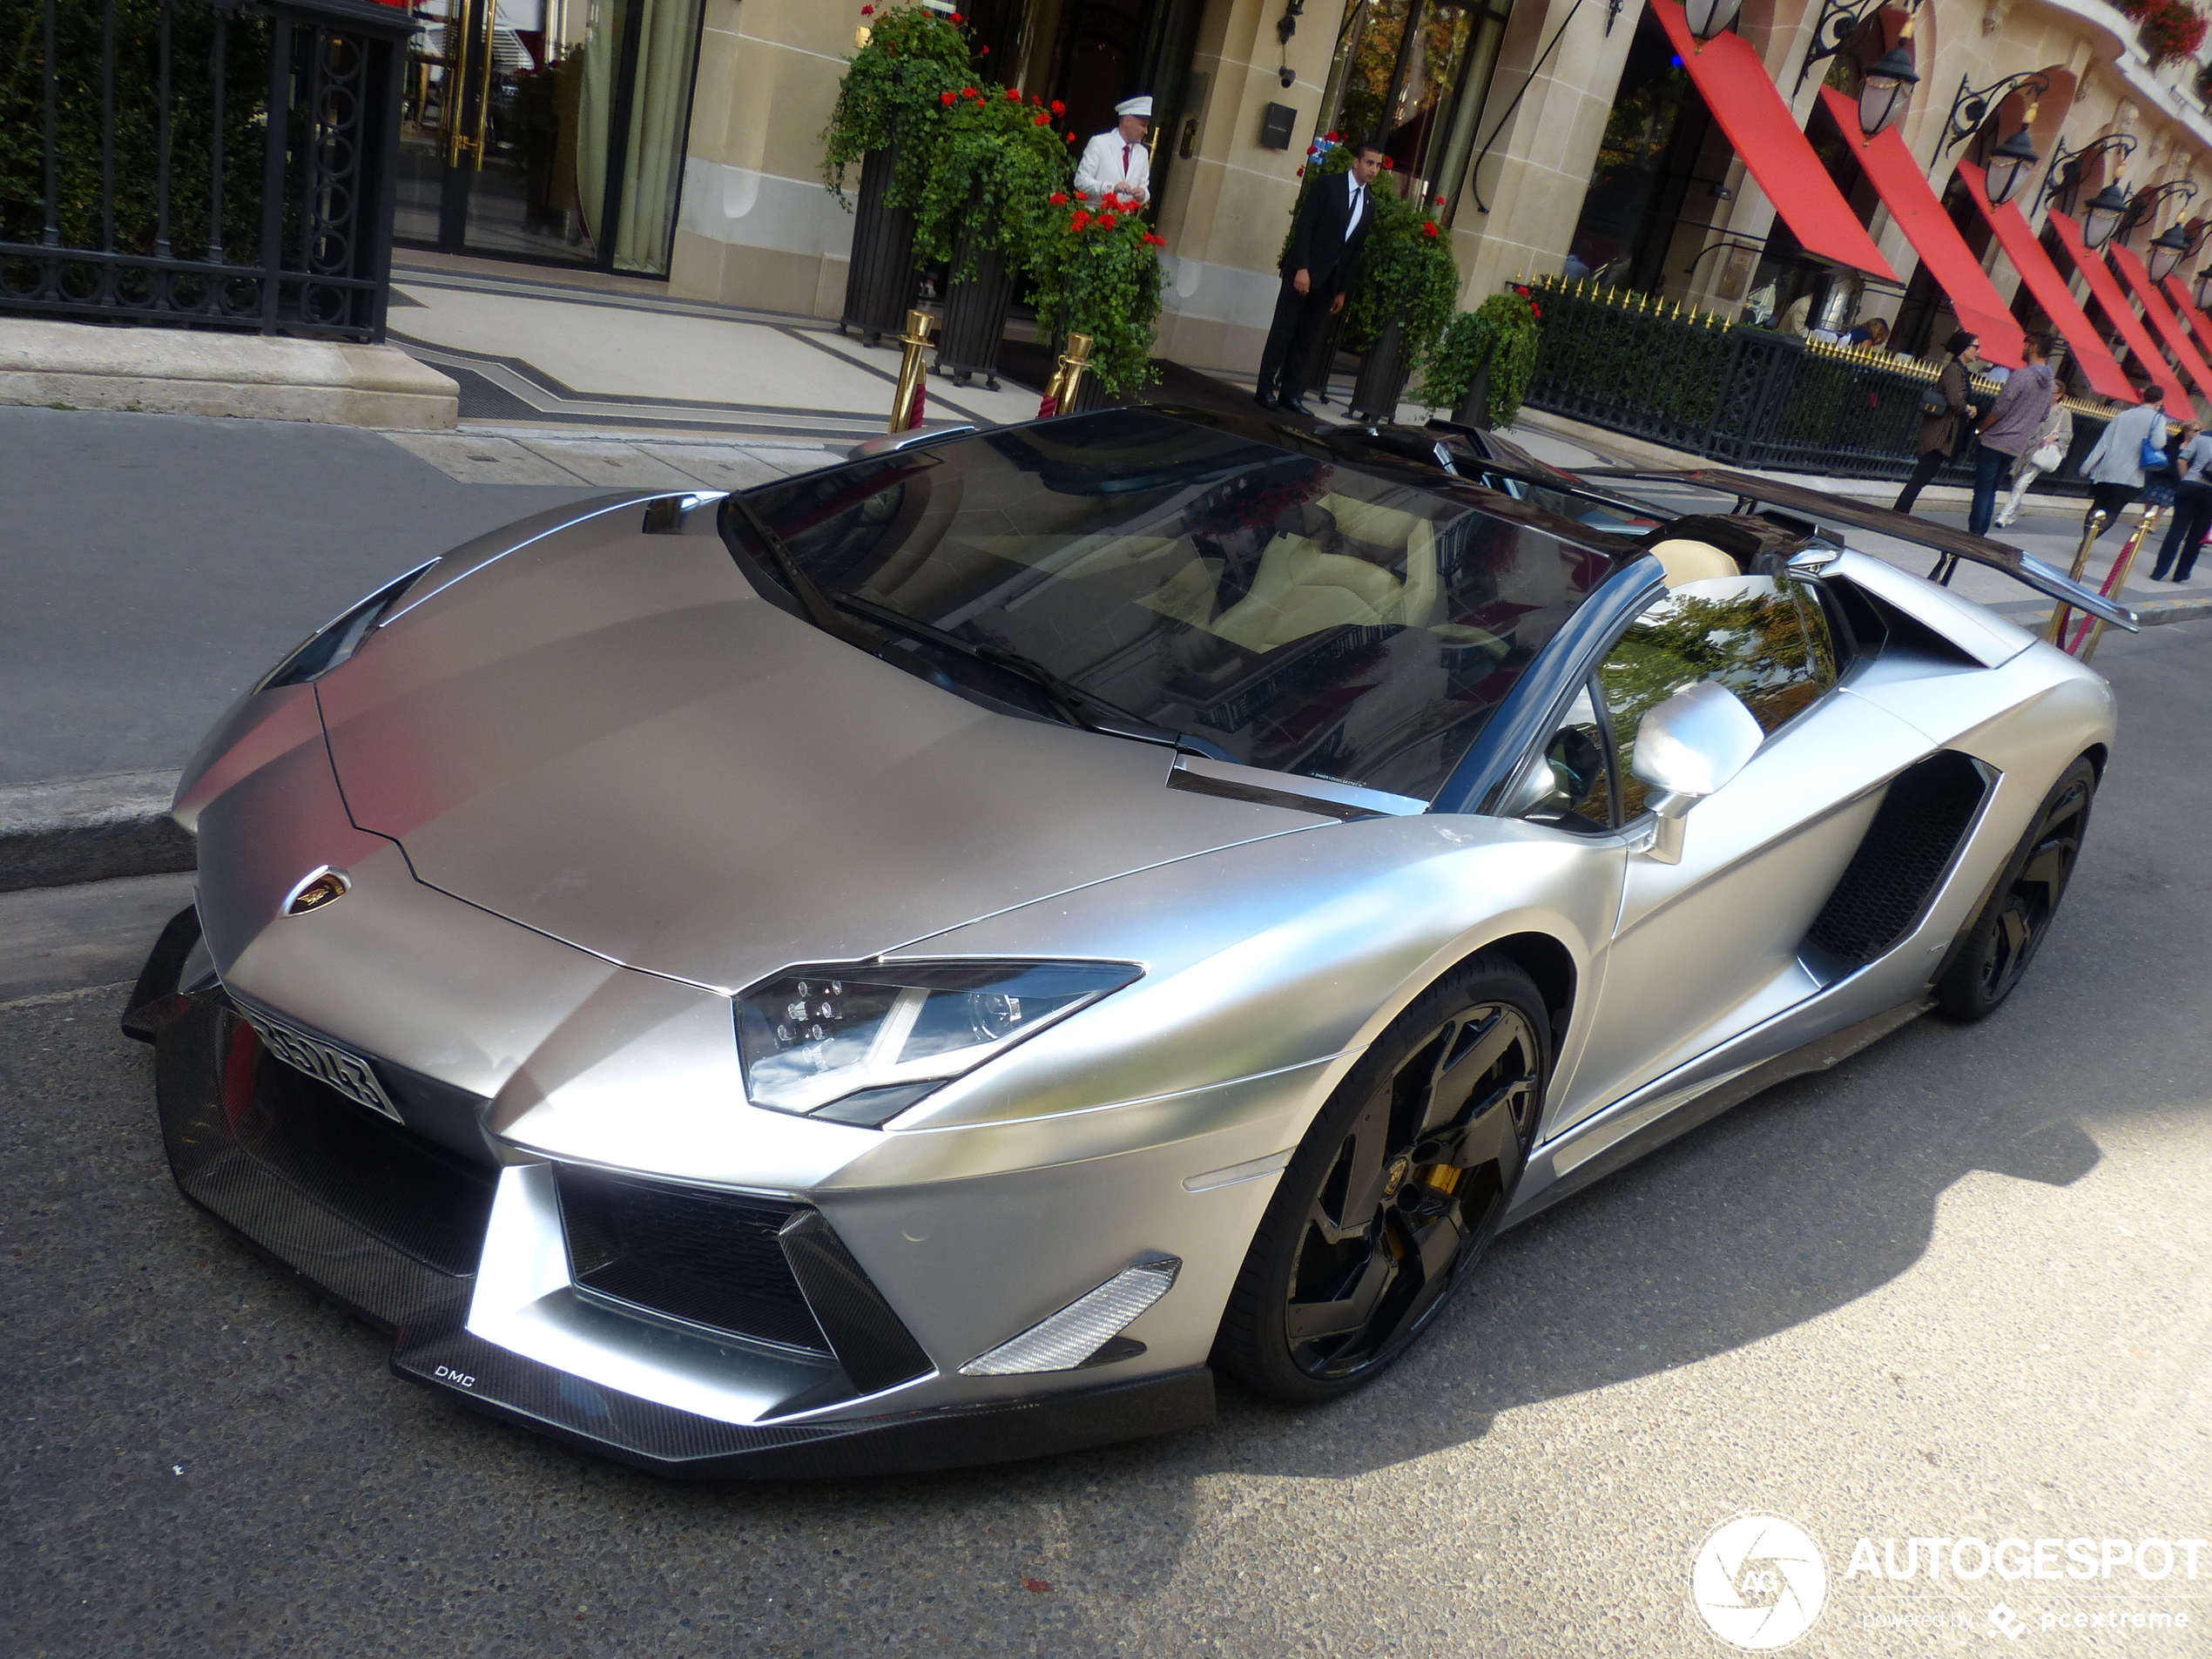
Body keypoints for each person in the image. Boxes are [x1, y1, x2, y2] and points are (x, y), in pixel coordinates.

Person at [1254, 138, 1384, 415]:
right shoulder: (1329, 186)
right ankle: (1264, 390)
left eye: (1378, 165)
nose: (1374, 169)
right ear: (1357, 162)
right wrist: (1302, 268)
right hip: (1304, 272)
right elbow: (1305, 227)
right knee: (1283, 331)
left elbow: (1355, 250)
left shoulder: (1369, 203)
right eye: (1370, 163)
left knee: (1305, 339)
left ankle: (1290, 394)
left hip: (1330, 282)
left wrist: (1342, 290)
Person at [1967, 332, 2055, 538]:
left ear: (2034, 347)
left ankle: (1974, 532)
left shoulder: (2022, 375)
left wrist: (1982, 429)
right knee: (1992, 489)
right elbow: (2043, 415)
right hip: (2017, 444)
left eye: (2026, 344)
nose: (2022, 349)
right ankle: (1980, 533)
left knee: (1982, 490)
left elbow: (2000, 408)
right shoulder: (2050, 384)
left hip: (1996, 439)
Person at [1892, 330, 1978, 515]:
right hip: (1939, 433)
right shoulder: (1955, 370)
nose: (1978, 351)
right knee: (1923, 474)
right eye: (1975, 347)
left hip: (1943, 432)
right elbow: (1955, 400)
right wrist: (1968, 408)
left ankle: (1901, 510)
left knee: (1924, 474)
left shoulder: (1961, 370)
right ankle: (1899, 511)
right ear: (1964, 348)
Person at [2078, 388, 2170, 541]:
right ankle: (2089, 541)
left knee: (2097, 505)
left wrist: (2087, 466)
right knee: (2114, 510)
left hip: (2107, 469)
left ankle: (2086, 536)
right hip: (2132, 474)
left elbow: (2104, 442)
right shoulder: (2157, 419)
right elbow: (2158, 443)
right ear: (2160, 401)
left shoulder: (2124, 415)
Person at [1993, 396, 2074, 529]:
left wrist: (2055, 436)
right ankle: (2015, 511)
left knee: (2022, 483)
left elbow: (2068, 435)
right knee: (2016, 481)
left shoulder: (2064, 413)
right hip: (2025, 448)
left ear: (2059, 395)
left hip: (2041, 451)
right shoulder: (2036, 405)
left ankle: (2004, 516)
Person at [2151, 420, 2212, 580]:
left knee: (2176, 530)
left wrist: (2186, 479)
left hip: (2190, 486)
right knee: (2197, 535)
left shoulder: (2201, 438)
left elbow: (2181, 460)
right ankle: (2181, 573)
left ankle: (2159, 571)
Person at [1074, 96, 1152, 206]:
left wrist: (1143, 194)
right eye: (1143, 125)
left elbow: (1144, 188)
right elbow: (1080, 181)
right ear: (1126, 121)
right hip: (1095, 217)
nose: (1146, 131)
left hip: (1123, 220)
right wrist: (1111, 188)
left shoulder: (1142, 153)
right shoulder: (1099, 143)